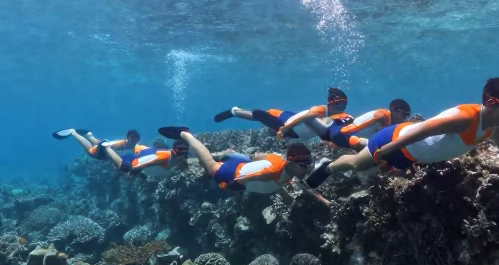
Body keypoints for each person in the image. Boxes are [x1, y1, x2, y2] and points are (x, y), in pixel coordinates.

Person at [305, 78, 499, 188]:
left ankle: (365, 144)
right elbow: (422, 129)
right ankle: (327, 167)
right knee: (358, 166)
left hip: (411, 154)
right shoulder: (464, 118)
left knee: (374, 161)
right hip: (397, 141)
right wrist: (387, 150)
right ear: (492, 103)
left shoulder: (493, 126)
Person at [159, 126, 330, 206]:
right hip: (234, 173)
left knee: (248, 159)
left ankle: (229, 154)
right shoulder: (274, 170)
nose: (307, 168)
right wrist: (230, 185)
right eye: (304, 165)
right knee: (211, 167)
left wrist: (322, 200)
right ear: (292, 162)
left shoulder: (282, 162)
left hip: (245, 164)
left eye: (308, 165)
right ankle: (186, 134)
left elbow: (258, 156)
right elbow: (244, 178)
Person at [212, 88, 349, 141]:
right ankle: (234, 111)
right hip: (288, 123)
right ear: (330, 103)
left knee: (271, 125)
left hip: (292, 123)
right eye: (339, 104)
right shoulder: (320, 110)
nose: (341, 107)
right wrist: (285, 129)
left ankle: (273, 127)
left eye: (344, 104)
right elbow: (304, 118)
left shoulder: (340, 116)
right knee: (259, 115)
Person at [279, 98, 413, 151]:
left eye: (407, 116)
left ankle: (318, 138)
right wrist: (286, 128)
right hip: (341, 134)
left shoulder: (389, 120)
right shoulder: (384, 114)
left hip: (341, 134)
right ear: (394, 110)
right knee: (310, 119)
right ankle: (290, 127)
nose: (404, 118)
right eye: (404, 115)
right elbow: (380, 118)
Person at [101, 139, 191, 179]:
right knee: (124, 167)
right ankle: (107, 147)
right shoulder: (164, 157)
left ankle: (128, 144)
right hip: (143, 154)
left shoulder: (180, 156)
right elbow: (148, 162)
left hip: (149, 151)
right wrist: (133, 171)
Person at [52, 128, 145, 158]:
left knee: (99, 143)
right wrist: (104, 146)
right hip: (105, 147)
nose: (135, 142)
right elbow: (111, 145)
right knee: (90, 152)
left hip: (106, 144)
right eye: (133, 140)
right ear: (128, 139)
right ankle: (73, 133)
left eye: (136, 140)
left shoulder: (133, 144)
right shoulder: (123, 143)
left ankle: (89, 135)